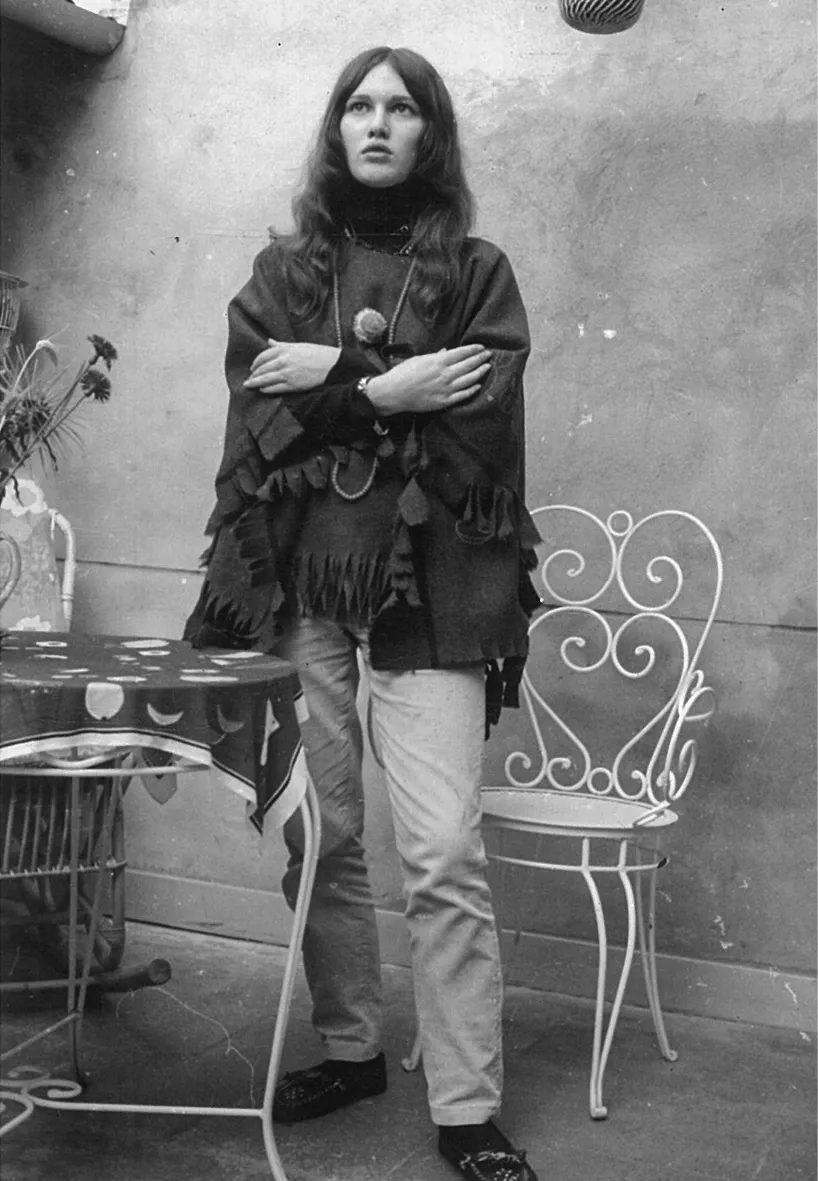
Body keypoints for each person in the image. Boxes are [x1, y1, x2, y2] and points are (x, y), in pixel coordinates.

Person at [184, 45, 542, 1181]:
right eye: (359, 105)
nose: (377, 123)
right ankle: (350, 1046)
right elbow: (259, 424)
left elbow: (475, 416)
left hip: (426, 599)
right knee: (322, 833)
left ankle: (466, 1106)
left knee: (440, 850)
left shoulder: (477, 271)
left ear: (428, 134)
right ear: (334, 129)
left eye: (400, 108)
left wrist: (338, 374)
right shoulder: (280, 273)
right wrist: (387, 389)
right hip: (303, 593)